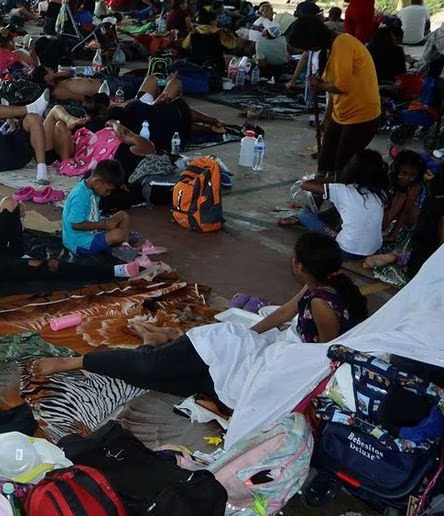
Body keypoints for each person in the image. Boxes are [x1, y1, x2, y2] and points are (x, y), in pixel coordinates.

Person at [28, 232, 368, 398]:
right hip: (251, 349)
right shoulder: (323, 286)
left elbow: (324, 354)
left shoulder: (323, 300)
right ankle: (74, 363)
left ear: (301, 265)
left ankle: (155, 340)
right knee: (153, 368)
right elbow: (282, 314)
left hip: (277, 361)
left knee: (176, 383)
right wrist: (250, 338)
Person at [286, 15, 380, 177]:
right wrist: (327, 119)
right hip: (341, 113)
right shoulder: (329, 49)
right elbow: (334, 91)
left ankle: (339, 198)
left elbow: (341, 86)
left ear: (313, 40)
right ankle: (324, 192)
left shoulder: (343, 43)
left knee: (342, 165)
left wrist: (319, 85)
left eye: (307, 47)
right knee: (325, 160)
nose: (308, 51)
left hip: (362, 117)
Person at [280, 149, 388, 258]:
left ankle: (325, 230)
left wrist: (333, 179)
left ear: (352, 169)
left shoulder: (343, 190)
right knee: (342, 211)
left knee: (304, 214)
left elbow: (305, 185)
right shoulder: (380, 193)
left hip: (345, 249)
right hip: (372, 249)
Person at [62, 159, 133, 256]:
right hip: (79, 242)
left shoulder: (94, 189)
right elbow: (76, 225)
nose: (108, 194)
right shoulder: (80, 196)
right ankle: (120, 247)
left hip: (92, 231)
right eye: (107, 190)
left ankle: (125, 246)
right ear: (96, 182)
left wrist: (104, 225)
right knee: (118, 234)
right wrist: (103, 225)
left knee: (123, 215)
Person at [382, 149, 428, 241]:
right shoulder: (390, 177)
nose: (406, 178)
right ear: (396, 169)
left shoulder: (414, 187)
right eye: (403, 173)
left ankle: (383, 227)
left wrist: (392, 235)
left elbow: (405, 212)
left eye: (412, 175)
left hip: (414, 213)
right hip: (397, 203)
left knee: (401, 197)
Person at [182, 9, 237, 76]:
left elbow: (184, 46)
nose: (217, 21)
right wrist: (230, 35)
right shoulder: (219, 33)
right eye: (216, 20)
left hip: (196, 65)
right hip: (216, 66)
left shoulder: (194, 32)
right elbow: (232, 45)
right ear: (212, 21)